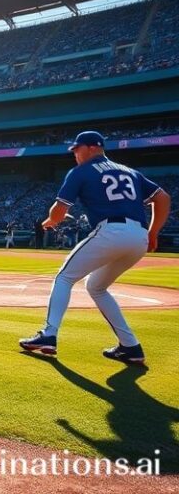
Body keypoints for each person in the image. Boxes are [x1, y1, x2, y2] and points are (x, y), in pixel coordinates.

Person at [19, 131, 170, 364]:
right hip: (139, 238)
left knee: (64, 277)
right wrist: (153, 232)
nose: (75, 154)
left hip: (111, 231)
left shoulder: (81, 171)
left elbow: (59, 211)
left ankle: (48, 335)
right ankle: (131, 347)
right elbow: (163, 198)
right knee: (96, 286)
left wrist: (51, 221)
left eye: (77, 149)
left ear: (91, 148)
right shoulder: (130, 171)